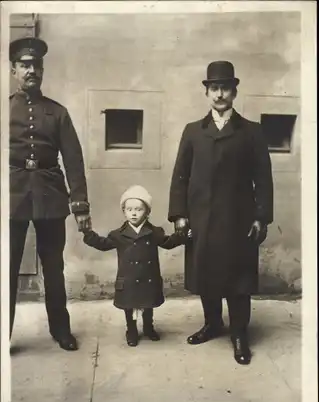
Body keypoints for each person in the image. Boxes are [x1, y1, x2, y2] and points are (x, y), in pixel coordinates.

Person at [168, 61, 273, 365]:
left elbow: (263, 178)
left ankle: (239, 334)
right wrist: (179, 214)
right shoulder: (193, 132)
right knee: (206, 275)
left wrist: (261, 216)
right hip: (201, 218)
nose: (219, 94)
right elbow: (180, 176)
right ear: (206, 92)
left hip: (239, 220)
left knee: (238, 280)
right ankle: (212, 323)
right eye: (214, 88)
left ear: (234, 91)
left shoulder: (251, 132)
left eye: (225, 87)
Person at [9, 36, 91, 351]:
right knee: (8, 268)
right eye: (25, 65)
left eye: (36, 65)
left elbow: (73, 158)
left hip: (50, 196)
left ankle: (60, 331)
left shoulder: (57, 113)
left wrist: (80, 204)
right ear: (14, 69)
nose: (32, 70)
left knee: (53, 267)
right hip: (12, 196)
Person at [82, 185, 190, 347]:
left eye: (139, 209)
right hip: (129, 277)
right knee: (129, 306)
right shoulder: (118, 235)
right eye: (129, 209)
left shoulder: (154, 232)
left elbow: (168, 243)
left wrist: (182, 236)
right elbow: (103, 244)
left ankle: (148, 327)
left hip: (148, 276)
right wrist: (88, 234)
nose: (133, 213)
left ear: (147, 212)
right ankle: (131, 330)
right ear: (124, 211)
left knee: (148, 304)